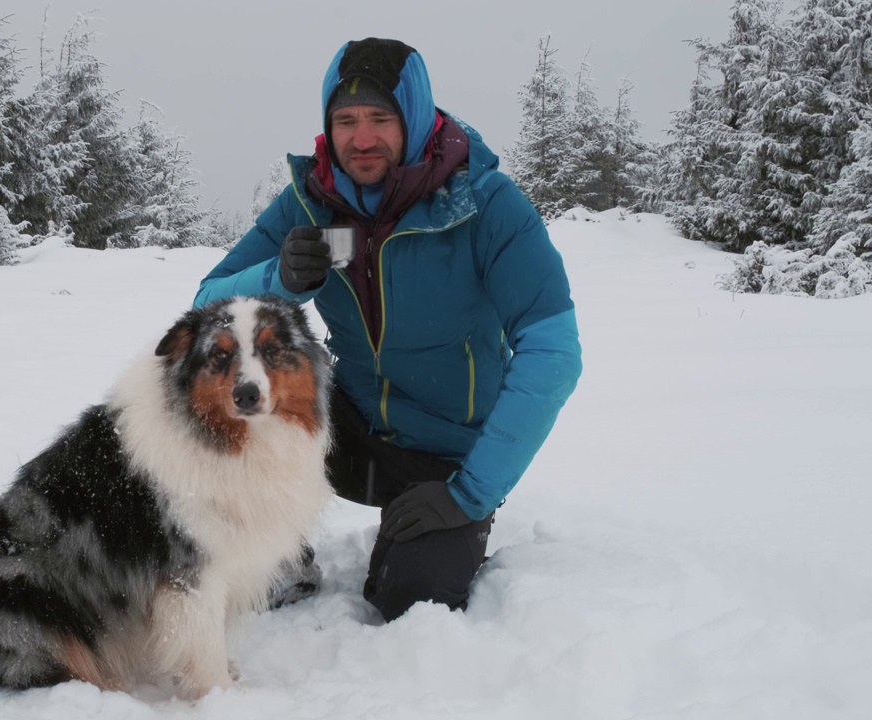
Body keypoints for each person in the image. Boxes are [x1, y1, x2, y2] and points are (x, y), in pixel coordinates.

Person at [193, 38, 582, 621]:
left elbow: (552, 353)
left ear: (417, 119)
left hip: (451, 454)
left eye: (381, 118)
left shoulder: (484, 203)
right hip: (353, 428)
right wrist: (277, 276)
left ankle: (438, 526)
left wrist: (470, 492)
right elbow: (206, 305)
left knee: (409, 598)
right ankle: (275, 555)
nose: (362, 138)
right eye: (345, 120)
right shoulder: (311, 202)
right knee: (234, 396)